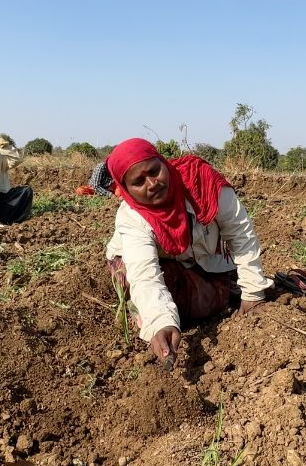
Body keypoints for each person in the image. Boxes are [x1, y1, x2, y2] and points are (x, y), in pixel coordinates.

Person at [104, 138, 270, 369]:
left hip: (197, 258)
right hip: (151, 264)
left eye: (154, 171)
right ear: (126, 190)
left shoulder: (203, 184)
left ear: (163, 162)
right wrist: (161, 322)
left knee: (213, 296)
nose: (152, 183)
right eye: (138, 182)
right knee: (165, 296)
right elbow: (144, 275)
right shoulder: (132, 217)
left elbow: (240, 233)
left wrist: (253, 293)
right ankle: (146, 311)